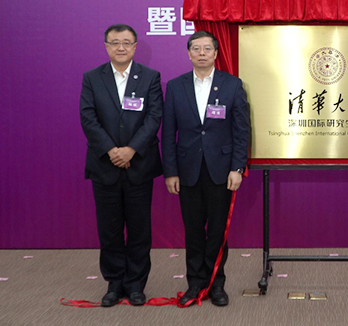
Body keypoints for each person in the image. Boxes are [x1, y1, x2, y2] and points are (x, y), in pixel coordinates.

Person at [162, 31, 250, 307]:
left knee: (217, 231)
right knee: (193, 231)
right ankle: (194, 283)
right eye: (196, 48)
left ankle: (216, 283)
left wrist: (237, 167)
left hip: (221, 170)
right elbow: (168, 133)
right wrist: (170, 171)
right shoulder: (175, 86)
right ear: (188, 53)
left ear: (215, 53)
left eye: (207, 48)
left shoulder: (232, 85)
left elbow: (242, 131)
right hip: (187, 170)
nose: (201, 53)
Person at [80, 24, 163, 307]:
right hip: (105, 165)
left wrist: (131, 150)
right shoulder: (92, 77)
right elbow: (88, 118)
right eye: (114, 42)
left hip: (139, 164)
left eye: (127, 42)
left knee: (139, 229)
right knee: (110, 229)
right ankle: (114, 284)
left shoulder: (150, 77)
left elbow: (154, 117)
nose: (121, 47)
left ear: (135, 46)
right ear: (106, 46)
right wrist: (112, 151)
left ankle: (136, 284)